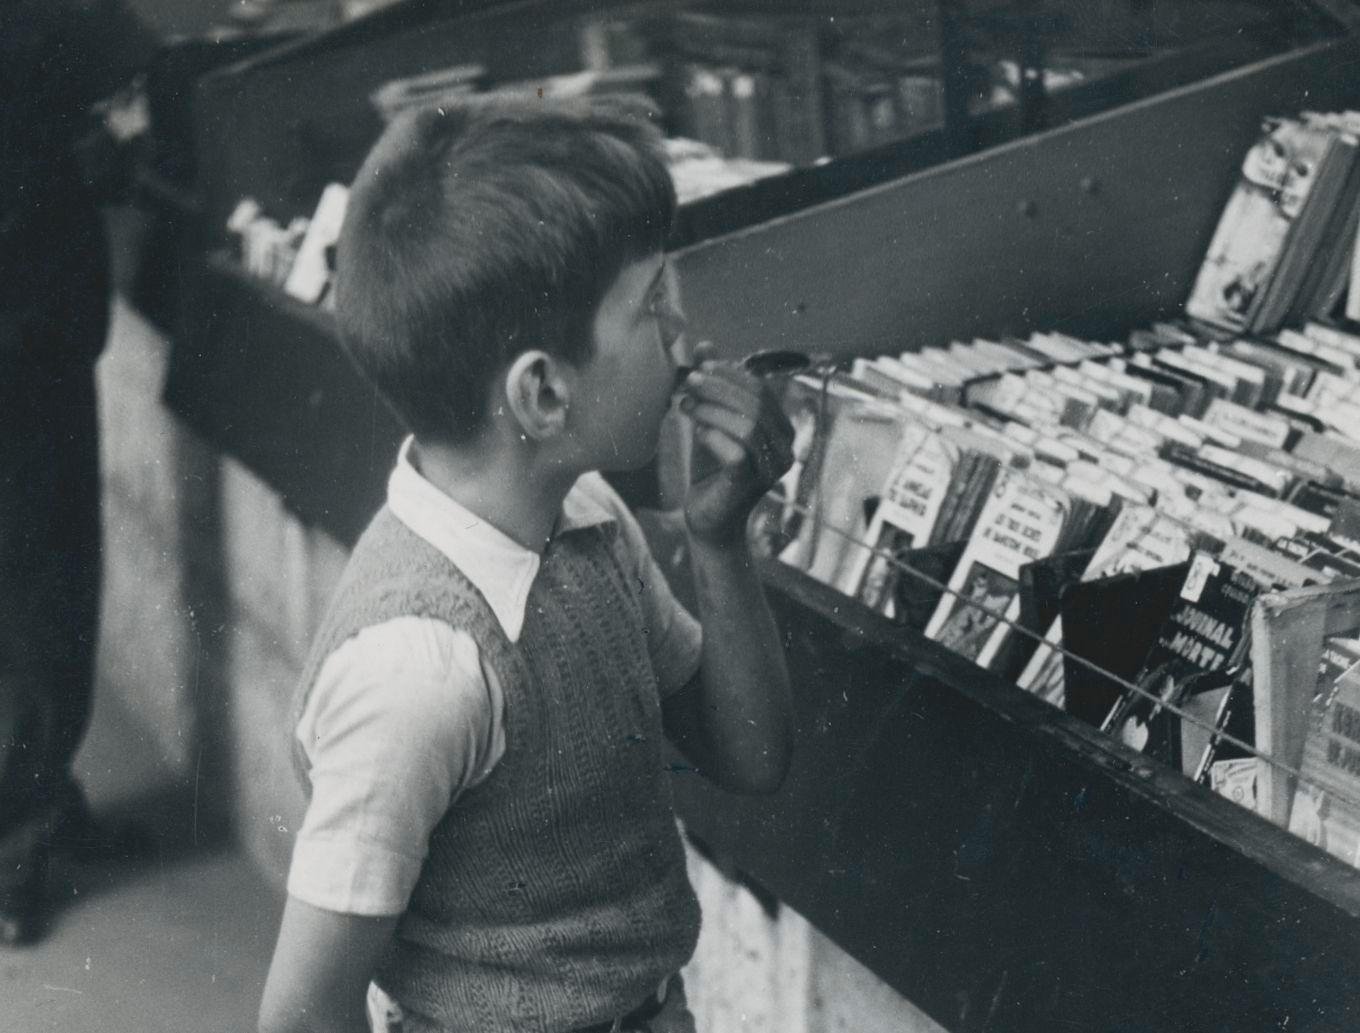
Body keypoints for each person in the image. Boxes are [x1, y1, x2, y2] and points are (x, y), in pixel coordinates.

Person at [258, 101, 796, 1033]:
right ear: (544, 391)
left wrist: (719, 538)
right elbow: (302, 1016)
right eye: (651, 304)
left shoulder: (585, 516)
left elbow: (749, 751)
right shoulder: (417, 667)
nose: (684, 337)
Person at [0, 0, 155, 945]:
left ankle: (41, 797)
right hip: (22, 334)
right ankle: (19, 848)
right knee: (43, 590)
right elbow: (105, 61)